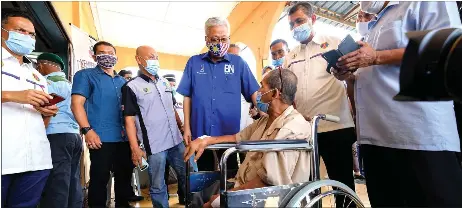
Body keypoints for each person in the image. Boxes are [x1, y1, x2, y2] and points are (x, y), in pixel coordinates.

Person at [334, 1, 462, 207]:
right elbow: (371, 74)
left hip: (418, 137)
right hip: (376, 139)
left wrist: (376, 57)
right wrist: (349, 75)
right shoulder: (375, 25)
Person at [184, 69, 311, 208]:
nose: (258, 91)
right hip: (242, 184)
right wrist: (205, 140)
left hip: (265, 196)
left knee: (207, 203)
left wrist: (223, 198)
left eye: (262, 86)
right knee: (196, 197)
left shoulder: (291, 129)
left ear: (274, 93)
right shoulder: (265, 121)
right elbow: (237, 137)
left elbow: (267, 182)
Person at [283, 2, 357, 204]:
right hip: (305, 132)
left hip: (336, 126)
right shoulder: (291, 57)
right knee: (307, 186)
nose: (295, 27)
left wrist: (357, 117)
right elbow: (287, 94)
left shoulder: (335, 43)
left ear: (313, 19)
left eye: (300, 21)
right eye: (291, 24)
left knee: (341, 183)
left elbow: (354, 78)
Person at [177, 17, 260, 172]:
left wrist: (267, 114)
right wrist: (187, 128)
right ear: (206, 39)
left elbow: (254, 93)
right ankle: (208, 197)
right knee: (203, 172)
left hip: (228, 134)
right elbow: (187, 96)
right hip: (200, 132)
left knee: (230, 172)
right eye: (215, 39)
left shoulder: (238, 63)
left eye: (224, 39)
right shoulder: (194, 63)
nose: (220, 43)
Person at [1, 9, 59, 207]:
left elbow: (43, 120)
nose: (27, 37)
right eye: (20, 30)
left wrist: (47, 112)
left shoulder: (36, 75)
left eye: (31, 34)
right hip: (5, 158)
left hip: (36, 159)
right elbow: (17, 97)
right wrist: (11, 96)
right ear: (2, 31)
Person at [122, 45, 186, 208]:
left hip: (176, 141)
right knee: (158, 184)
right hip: (155, 145)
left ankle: (193, 203)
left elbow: (172, 109)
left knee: (190, 174)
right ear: (138, 59)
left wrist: (182, 128)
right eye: (151, 57)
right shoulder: (131, 87)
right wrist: (135, 148)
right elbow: (129, 120)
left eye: (156, 57)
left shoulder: (164, 82)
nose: (154, 60)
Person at [71, 41, 133, 207]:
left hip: (125, 139)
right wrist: (87, 130)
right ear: (94, 55)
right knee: (99, 181)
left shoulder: (123, 81)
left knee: (124, 181)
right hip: (100, 138)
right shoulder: (85, 75)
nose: (107, 56)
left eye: (110, 53)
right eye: (102, 53)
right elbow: (76, 104)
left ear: (116, 57)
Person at [35, 53, 83, 208]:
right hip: (75, 136)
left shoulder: (45, 83)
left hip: (56, 135)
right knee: (73, 180)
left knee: (57, 183)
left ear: (41, 65)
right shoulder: (72, 85)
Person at [349, 10, 375, 181]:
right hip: (367, 123)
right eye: (358, 17)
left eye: (367, 16)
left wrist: (377, 57)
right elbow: (353, 85)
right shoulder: (356, 48)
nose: (361, 21)